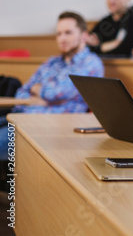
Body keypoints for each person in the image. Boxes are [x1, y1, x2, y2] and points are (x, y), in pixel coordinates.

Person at [0, 12, 104, 158]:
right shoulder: (51, 62)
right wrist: (40, 95)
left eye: (68, 33)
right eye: (59, 34)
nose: (62, 38)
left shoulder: (91, 63)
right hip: (20, 116)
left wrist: (38, 90)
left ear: (84, 36)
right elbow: (22, 91)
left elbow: (57, 93)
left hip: (48, 127)